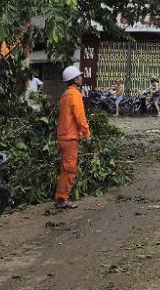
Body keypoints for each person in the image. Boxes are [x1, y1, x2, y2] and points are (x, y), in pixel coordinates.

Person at [54, 65, 91, 210]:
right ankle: (62, 199)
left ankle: (60, 197)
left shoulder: (65, 95)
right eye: (79, 76)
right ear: (75, 79)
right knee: (69, 168)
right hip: (70, 137)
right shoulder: (75, 95)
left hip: (63, 135)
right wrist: (86, 133)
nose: (81, 78)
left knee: (65, 167)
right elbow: (80, 117)